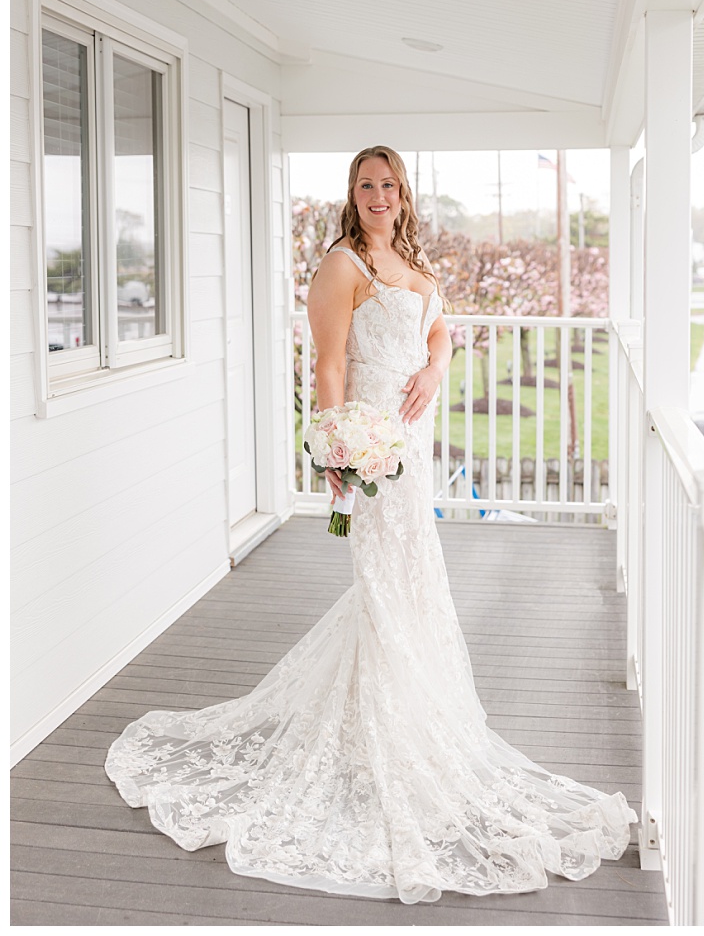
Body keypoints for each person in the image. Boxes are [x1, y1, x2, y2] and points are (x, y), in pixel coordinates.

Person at [105, 146, 635, 903]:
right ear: (351, 195)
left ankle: (410, 714)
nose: (380, 195)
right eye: (367, 185)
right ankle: (385, 731)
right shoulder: (342, 265)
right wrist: (332, 442)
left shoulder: (412, 259)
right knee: (384, 580)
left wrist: (433, 367)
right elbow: (326, 364)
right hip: (372, 443)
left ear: (403, 194)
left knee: (416, 578)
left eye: (389, 185)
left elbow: (441, 327)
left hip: (412, 443)